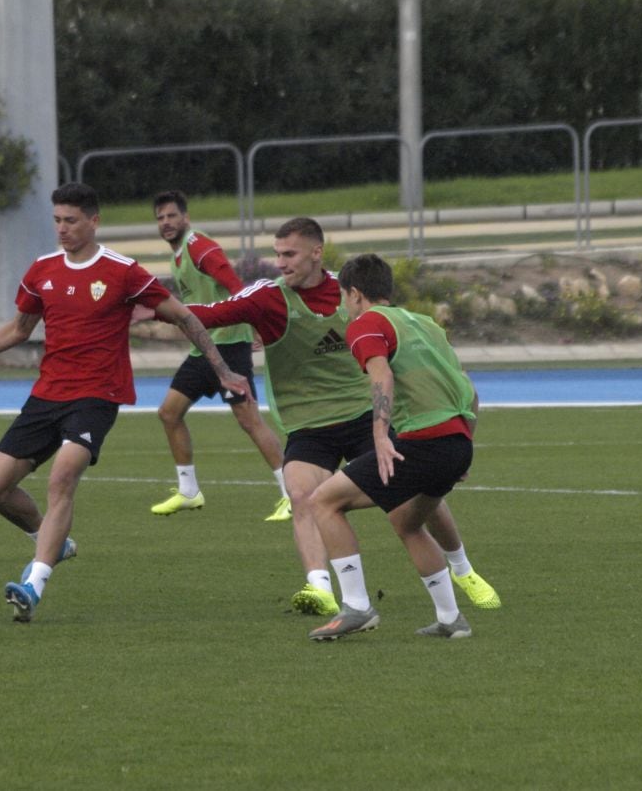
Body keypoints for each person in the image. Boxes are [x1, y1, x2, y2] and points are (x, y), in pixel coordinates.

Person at [0, 182, 252, 623]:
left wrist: (224, 370)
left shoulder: (123, 272)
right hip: (46, 394)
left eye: (71, 221)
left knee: (61, 478)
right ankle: (52, 540)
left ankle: (33, 585)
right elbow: (18, 330)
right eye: (56, 220)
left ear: (93, 221)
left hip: (97, 396)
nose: (62, 229)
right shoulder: (42, 270)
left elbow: (185, 316)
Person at [181, 218, 499, 620]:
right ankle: (321, 589)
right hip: (310, 426)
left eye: (289, 254)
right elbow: (204, 315)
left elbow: (391, 365)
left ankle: (463, 570)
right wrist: (149, 304)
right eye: (277, 254)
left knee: (414, 505)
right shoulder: (267, 299)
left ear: (317, 252)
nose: (280, 262)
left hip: (366, 418)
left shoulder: (352, 293)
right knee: (302, 494)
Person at [306, 252, 484, 641]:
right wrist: (464, 443)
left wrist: (380, 437)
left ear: (355, 294)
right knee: (407, 522)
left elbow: (381, 378)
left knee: (323, 501)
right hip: (455, 443)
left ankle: (356, 607)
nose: (342, 305)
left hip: (422, 442)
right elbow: (469, 391)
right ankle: (452, 619)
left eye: (342, 296)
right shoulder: (425, 324)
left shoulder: (365, 324)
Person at [147, 191, 291, 522]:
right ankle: (188, 492)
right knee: (169, 413)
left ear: (186, 218)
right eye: (160, 218)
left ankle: (291, 494)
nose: (166, 223)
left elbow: (234, 284)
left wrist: (256, 322)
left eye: (172, 216)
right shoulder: (179, 254)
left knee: (249, 420)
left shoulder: (200, 247)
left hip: (228, 346)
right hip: (204, 349)